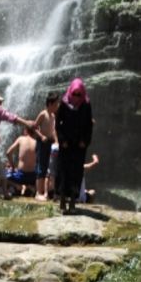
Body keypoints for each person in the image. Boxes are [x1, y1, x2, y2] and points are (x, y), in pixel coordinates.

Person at [55, 78, 93, 214]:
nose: (77, 97)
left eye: (79, 94)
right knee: (63, 171)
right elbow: (58, 123)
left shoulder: (86, 105)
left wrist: (85, 141)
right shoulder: (64, 104)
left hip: (79, 145)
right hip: (66, 144)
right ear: (71, 91)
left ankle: (72, 202)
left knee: (76, 173)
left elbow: (89, 125)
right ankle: (62, 200)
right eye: (75, 94)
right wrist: (62, 139)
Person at [34, 92, 60, 201]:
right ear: (50, 104)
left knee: (49, 168)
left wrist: (56, 141)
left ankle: (46, 193)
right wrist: (41, 136)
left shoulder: (53, 116)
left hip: (50, 143)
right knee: (41, 166)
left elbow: (53, 130)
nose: (57, 106)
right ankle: (38, 193)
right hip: (42, 142)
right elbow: (34, 127)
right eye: (55, 104)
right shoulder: (43, 114)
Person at [4, 127, 38, 196]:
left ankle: (17, 186)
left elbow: (8, 153)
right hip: (33, 177)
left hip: (21, 177)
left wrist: (12, 166)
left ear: (26, 130)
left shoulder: (21, 139)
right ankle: (30, 187)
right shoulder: (37, 142)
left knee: (3, 174)